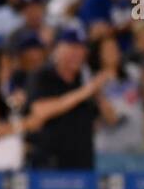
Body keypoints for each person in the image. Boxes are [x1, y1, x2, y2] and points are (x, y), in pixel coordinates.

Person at [25, 28, 110, 170]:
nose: (78, 54)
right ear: (58, 49)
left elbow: (108, 120)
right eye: (73, 48)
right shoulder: (42, 76)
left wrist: (98, 93)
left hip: (82, 166)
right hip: (49, 167)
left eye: (82, 49)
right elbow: (40, 111)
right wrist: (84, 92)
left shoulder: (84, 80)